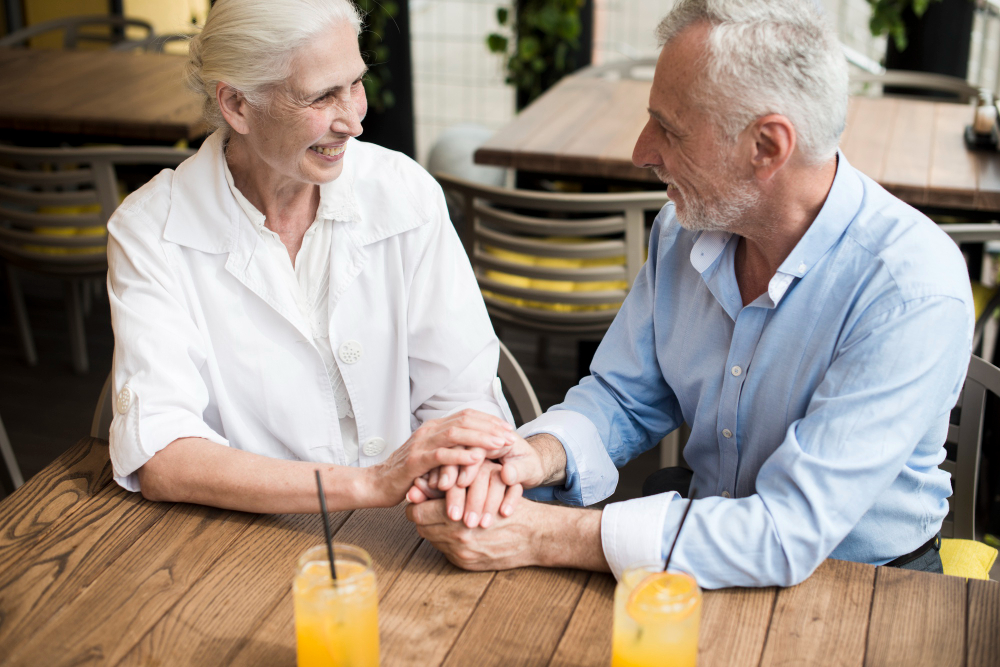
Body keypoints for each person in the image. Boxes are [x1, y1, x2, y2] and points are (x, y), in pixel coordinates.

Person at [407, 0, 974, 587]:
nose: (641, 151)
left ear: (767, 147)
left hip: (870, 589)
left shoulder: (910, 290)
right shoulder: (683, 229)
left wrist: (538, 532)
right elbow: (625, 396)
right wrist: (533, 456)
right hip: (692, 551)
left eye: (670, 130)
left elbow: (784, 534)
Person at [106, 0, 522, 517]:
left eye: (355, 84)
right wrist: (369, 484)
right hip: (243, 538)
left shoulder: (404, 192)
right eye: (323, 96)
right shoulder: (151, 230)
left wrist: (465, 477)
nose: (353, 121)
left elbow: (461, 396)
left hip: (417, 519)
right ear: (237, 105)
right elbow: (163, 455)